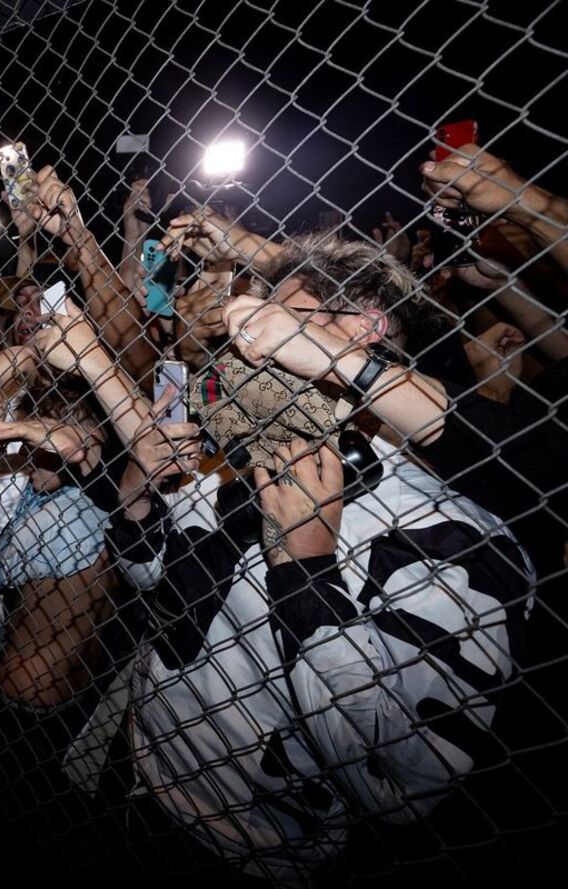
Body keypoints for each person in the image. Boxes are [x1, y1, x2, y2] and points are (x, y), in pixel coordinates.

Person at [108, 236, 535, 882]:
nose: (243, 343)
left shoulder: (457, 540)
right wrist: (137, 494)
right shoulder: (245, 453)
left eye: (272, 324)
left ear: (362, 331)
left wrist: (307, 569)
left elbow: (406, 788)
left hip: (253, 854)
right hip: (133, 780)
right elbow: (148, 582)